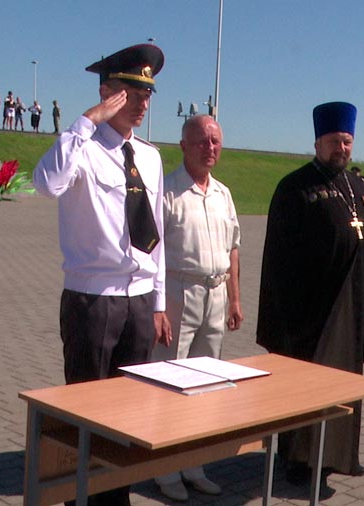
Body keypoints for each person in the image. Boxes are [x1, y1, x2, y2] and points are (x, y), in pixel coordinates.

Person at [33, 43, 171, 506]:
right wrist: (85, 121)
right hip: (93, 300)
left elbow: (157, 234)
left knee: (128, 417)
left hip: (137, 301)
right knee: (86, 415)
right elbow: (45, 183)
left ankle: (115, 498)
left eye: (148, 94)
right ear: (107, 92)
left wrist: (160, 301)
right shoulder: (82, 148)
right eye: (132, 92)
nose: (143, 103)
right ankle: (79, 497)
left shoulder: (148, 157)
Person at [257, 101, 364, 492]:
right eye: (334, 142)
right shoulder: (295, 187)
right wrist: (285, 316)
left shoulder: (359, 187)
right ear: (317, 142)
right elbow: (278, 257)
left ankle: (340, 456)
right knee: (305, 388)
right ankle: (297, 461)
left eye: (346, 142)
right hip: (311, 313)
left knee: (344, 387)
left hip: (352, 308)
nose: (341, 149)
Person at [150, 115, 241, 502]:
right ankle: (165, 469)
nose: (210, 148)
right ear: (183, 145)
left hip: (216, 294)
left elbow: (233, 247)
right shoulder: (166, 191)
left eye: (216, 141)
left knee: (206, 385)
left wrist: (235, 298)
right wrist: (158, 307)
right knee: (170, 384)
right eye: (202, 141)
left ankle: (194, 465)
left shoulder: (222, 194)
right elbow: (150, 251)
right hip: (178, 293)